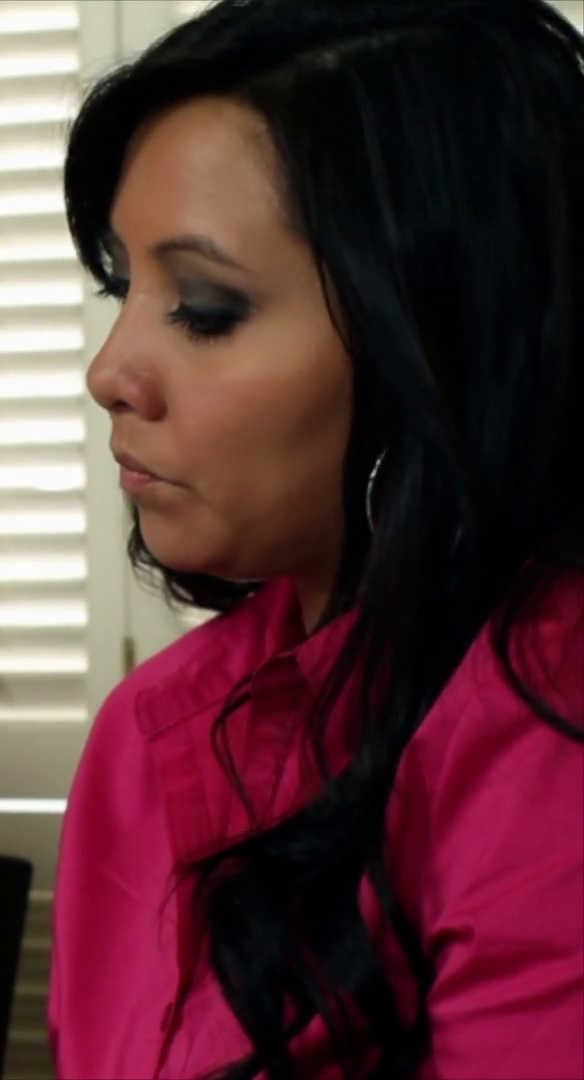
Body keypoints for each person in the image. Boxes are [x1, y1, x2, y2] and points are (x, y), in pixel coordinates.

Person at [50, 0, 584, 1077]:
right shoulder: (150, 733)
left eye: (205, 308)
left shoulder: (549, 724)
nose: (110, 372)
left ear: (433, 341)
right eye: (121, 285)